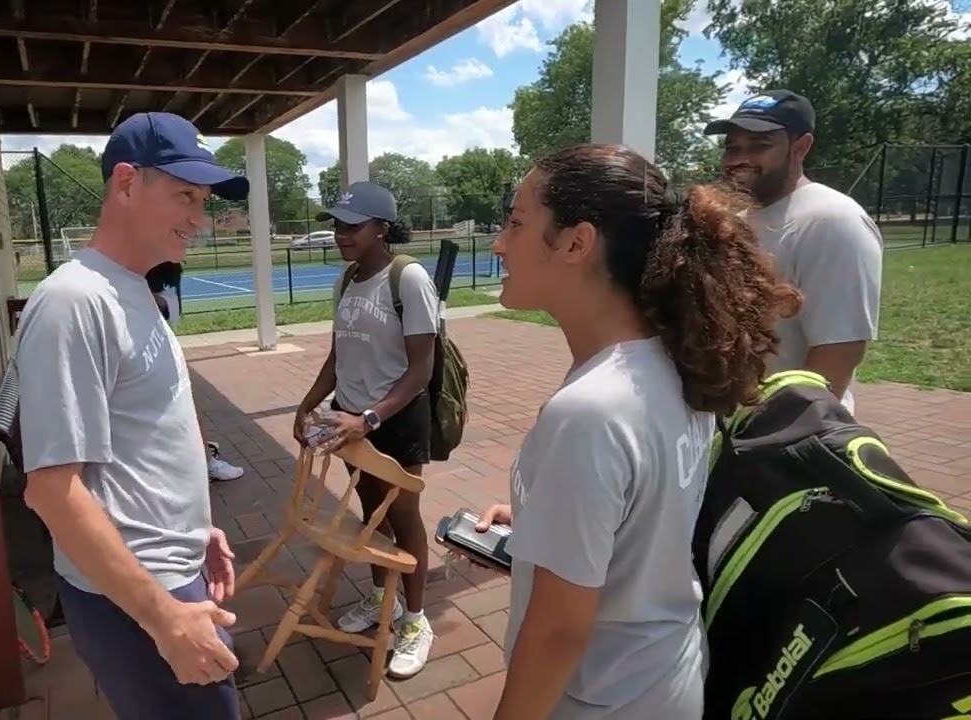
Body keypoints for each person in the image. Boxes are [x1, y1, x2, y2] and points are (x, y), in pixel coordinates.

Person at [475, 144, 801, 719]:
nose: (500, 242)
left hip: (598, 701)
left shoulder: (590, 410)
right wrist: (537, 511)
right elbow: (642, 509)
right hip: (665, 678)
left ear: (576, 242)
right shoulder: (674, 362)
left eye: (517, 222)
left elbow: (556, 634)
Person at [15, 111, 252, 720]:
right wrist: (165, 619)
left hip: (172, 567)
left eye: (203, 199)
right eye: (184, 195)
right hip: (139, 597)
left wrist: (196, 527)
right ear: (125, 184)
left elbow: (149, 432)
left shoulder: (134, 288)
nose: (199, 218)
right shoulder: (74, 301)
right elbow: (52, 492)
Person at [292, 181, 441, 679]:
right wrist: (308, 403)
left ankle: (417, 621)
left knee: (403, 516)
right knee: (370, 517)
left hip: (393, 421)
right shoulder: (346, 281)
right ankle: (384, 601)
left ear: (382, 228)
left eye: (352, 225)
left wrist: (370, 419)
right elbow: (338, 357)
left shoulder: (409, 279)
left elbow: (421, 369)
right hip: (349, 419)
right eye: (336, 224)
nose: (341, 234)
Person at [704, 90, 884, 414]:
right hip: (735, 428)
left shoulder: (831, 220)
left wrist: (782, 436)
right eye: (732, 148)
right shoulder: (740, 219)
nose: (739, 159)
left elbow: (839, 351)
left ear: (801, 147)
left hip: (784, 438)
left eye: (760, 145)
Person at [146, 261, 246, 483]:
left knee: (188, 411)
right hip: (142, 371)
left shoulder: (162, 299)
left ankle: (206, 461)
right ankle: (197, 461)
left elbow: (156, 304)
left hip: (161, 367)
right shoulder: (135, 293)